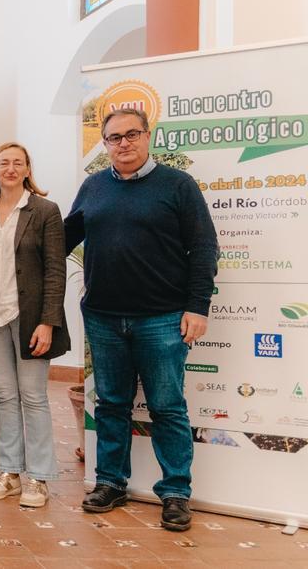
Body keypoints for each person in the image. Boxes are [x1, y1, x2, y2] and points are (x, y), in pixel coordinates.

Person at [65, 107, 217, 532]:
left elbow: (204, 248)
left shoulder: (177, 185)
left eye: (131, 134)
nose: (123, 143)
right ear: (105, 144)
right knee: (111, 404)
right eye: (114, 138)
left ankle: (175, 493)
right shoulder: (93, 186)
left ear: (147, 136)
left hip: (163, 318)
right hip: (103, 317)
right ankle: (111, 482)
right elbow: (62, 238)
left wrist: (197, 306)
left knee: (167, 407)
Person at [0, 142, 68, 508]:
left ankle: (39, 478)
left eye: (17, 163)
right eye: (3, 163)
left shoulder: (44, 211)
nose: (10, 168)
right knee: (6, 396)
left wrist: (48, 322)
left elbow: (57, 269)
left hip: (28, 318)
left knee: (35, 397)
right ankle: (10, 473)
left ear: (27, 169)